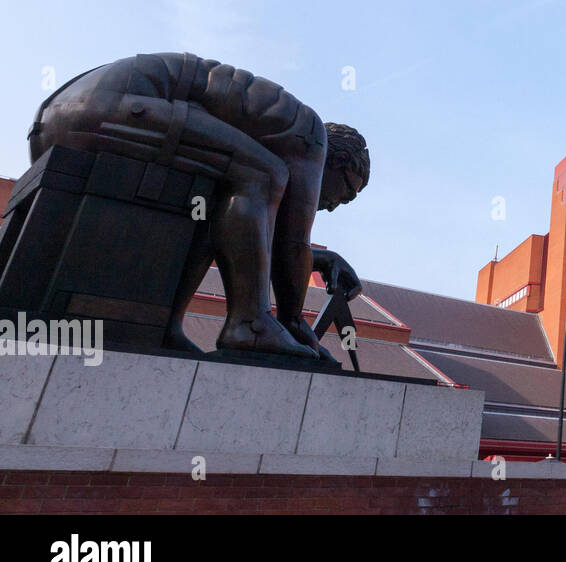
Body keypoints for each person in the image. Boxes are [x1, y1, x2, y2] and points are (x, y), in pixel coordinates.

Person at [29, 52, 369, 359]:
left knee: (221, 201)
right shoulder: (311, 137)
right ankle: (249, 324)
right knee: (262, 175)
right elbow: (294, 242)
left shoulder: (278, 127)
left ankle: (166, 326)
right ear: (338, 161)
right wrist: (294, 321)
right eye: (345, 193)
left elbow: (255, 230)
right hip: (104, 109)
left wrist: (318, 260)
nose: (335, 206)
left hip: (62, 118)